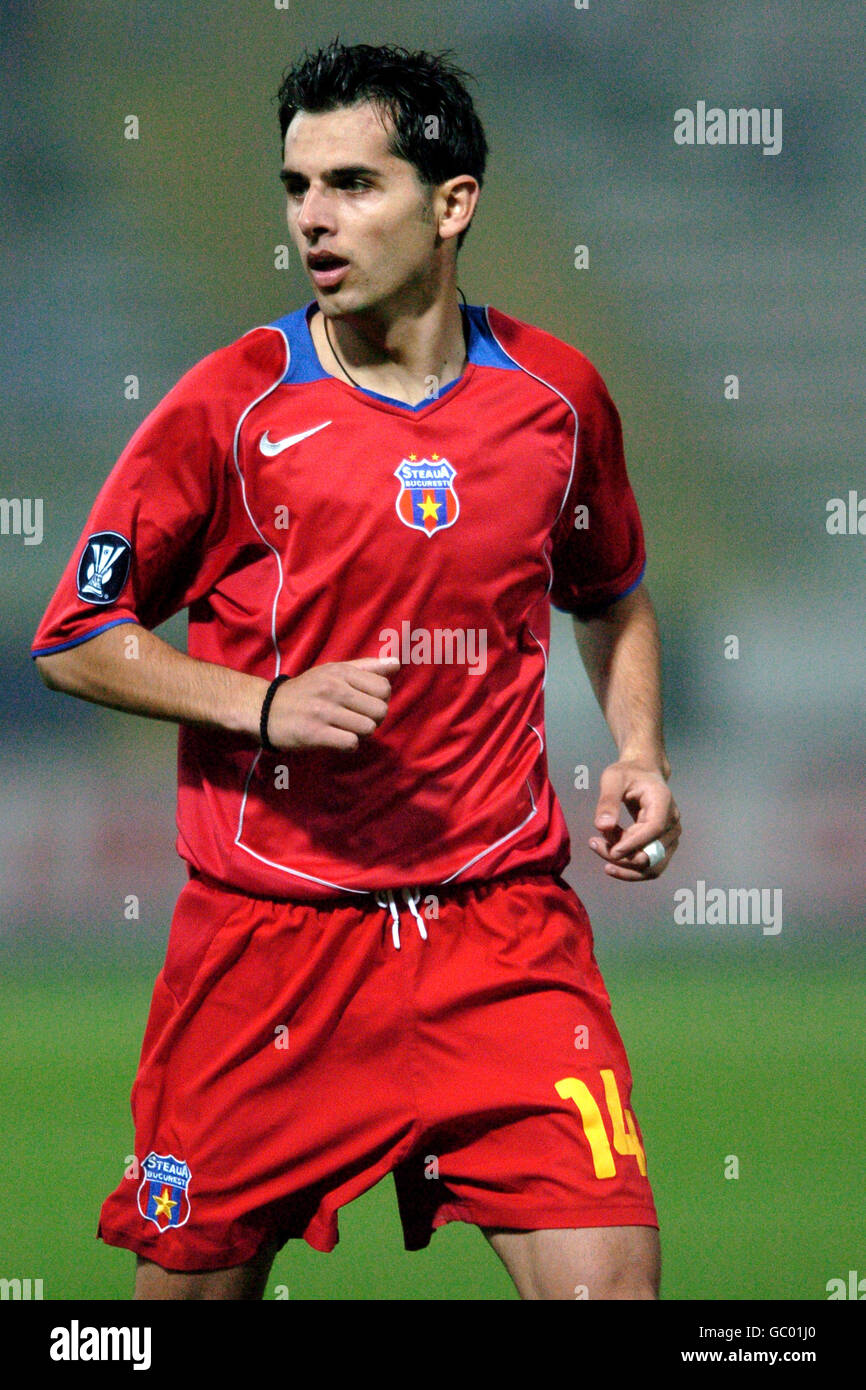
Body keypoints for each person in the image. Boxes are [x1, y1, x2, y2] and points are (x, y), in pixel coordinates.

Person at [31, 40, 680, 1301]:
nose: (313, 219)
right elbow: (75, 635)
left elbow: (608, 593)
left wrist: (640, 749)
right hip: (271, 946)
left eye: (352, 184)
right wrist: (258, 702)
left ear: (452, 204)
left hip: (500, 933)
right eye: (296, 186)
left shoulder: (556, 397)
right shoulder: (232, 405)